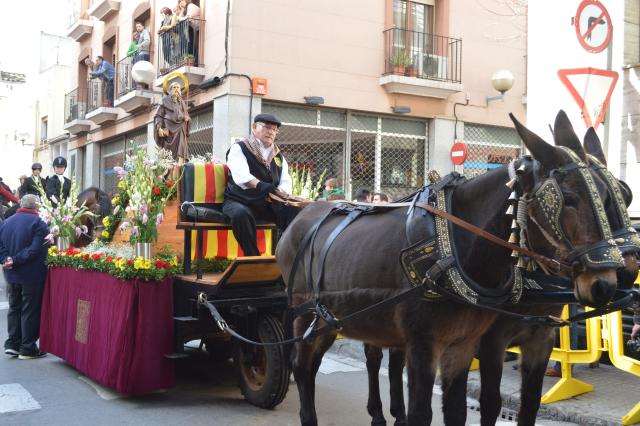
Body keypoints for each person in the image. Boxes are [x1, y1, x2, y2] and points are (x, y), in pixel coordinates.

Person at [223, 113, 297, 256]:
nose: (271, 132)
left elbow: (285, 181)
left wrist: (278, 193)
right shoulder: (240, 148)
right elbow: (242, 176)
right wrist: (261, 185)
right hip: (239, 200)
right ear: (254, 127)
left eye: (274, 129)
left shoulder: (278, 156)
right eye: (267, 127)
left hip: (266, 204)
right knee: (241, 214)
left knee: (294, 212)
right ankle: (253, 258)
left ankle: (286, 255)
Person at [1, 194, 50, 359]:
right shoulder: (39, 224)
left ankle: (13, 344)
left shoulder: (7, 222)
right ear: (37, 207)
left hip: (11, 273)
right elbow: (34, 249)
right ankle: (28, 348)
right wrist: (14, 260)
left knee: (14, 307)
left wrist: (6, 259)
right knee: (30, 309)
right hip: (31, 274)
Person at [154, 81, 191, 167]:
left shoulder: (182, 102)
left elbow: (186, 115)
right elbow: (158, 115)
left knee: (181, 146)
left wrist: (187, 119)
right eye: (174, 87)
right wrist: (159, 127)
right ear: (170, 90)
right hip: (169, 129)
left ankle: (180, 163)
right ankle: (168, 164)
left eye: (178, 88)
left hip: (180, 127)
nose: (176, 89)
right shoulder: (164, 100)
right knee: (168, 151)